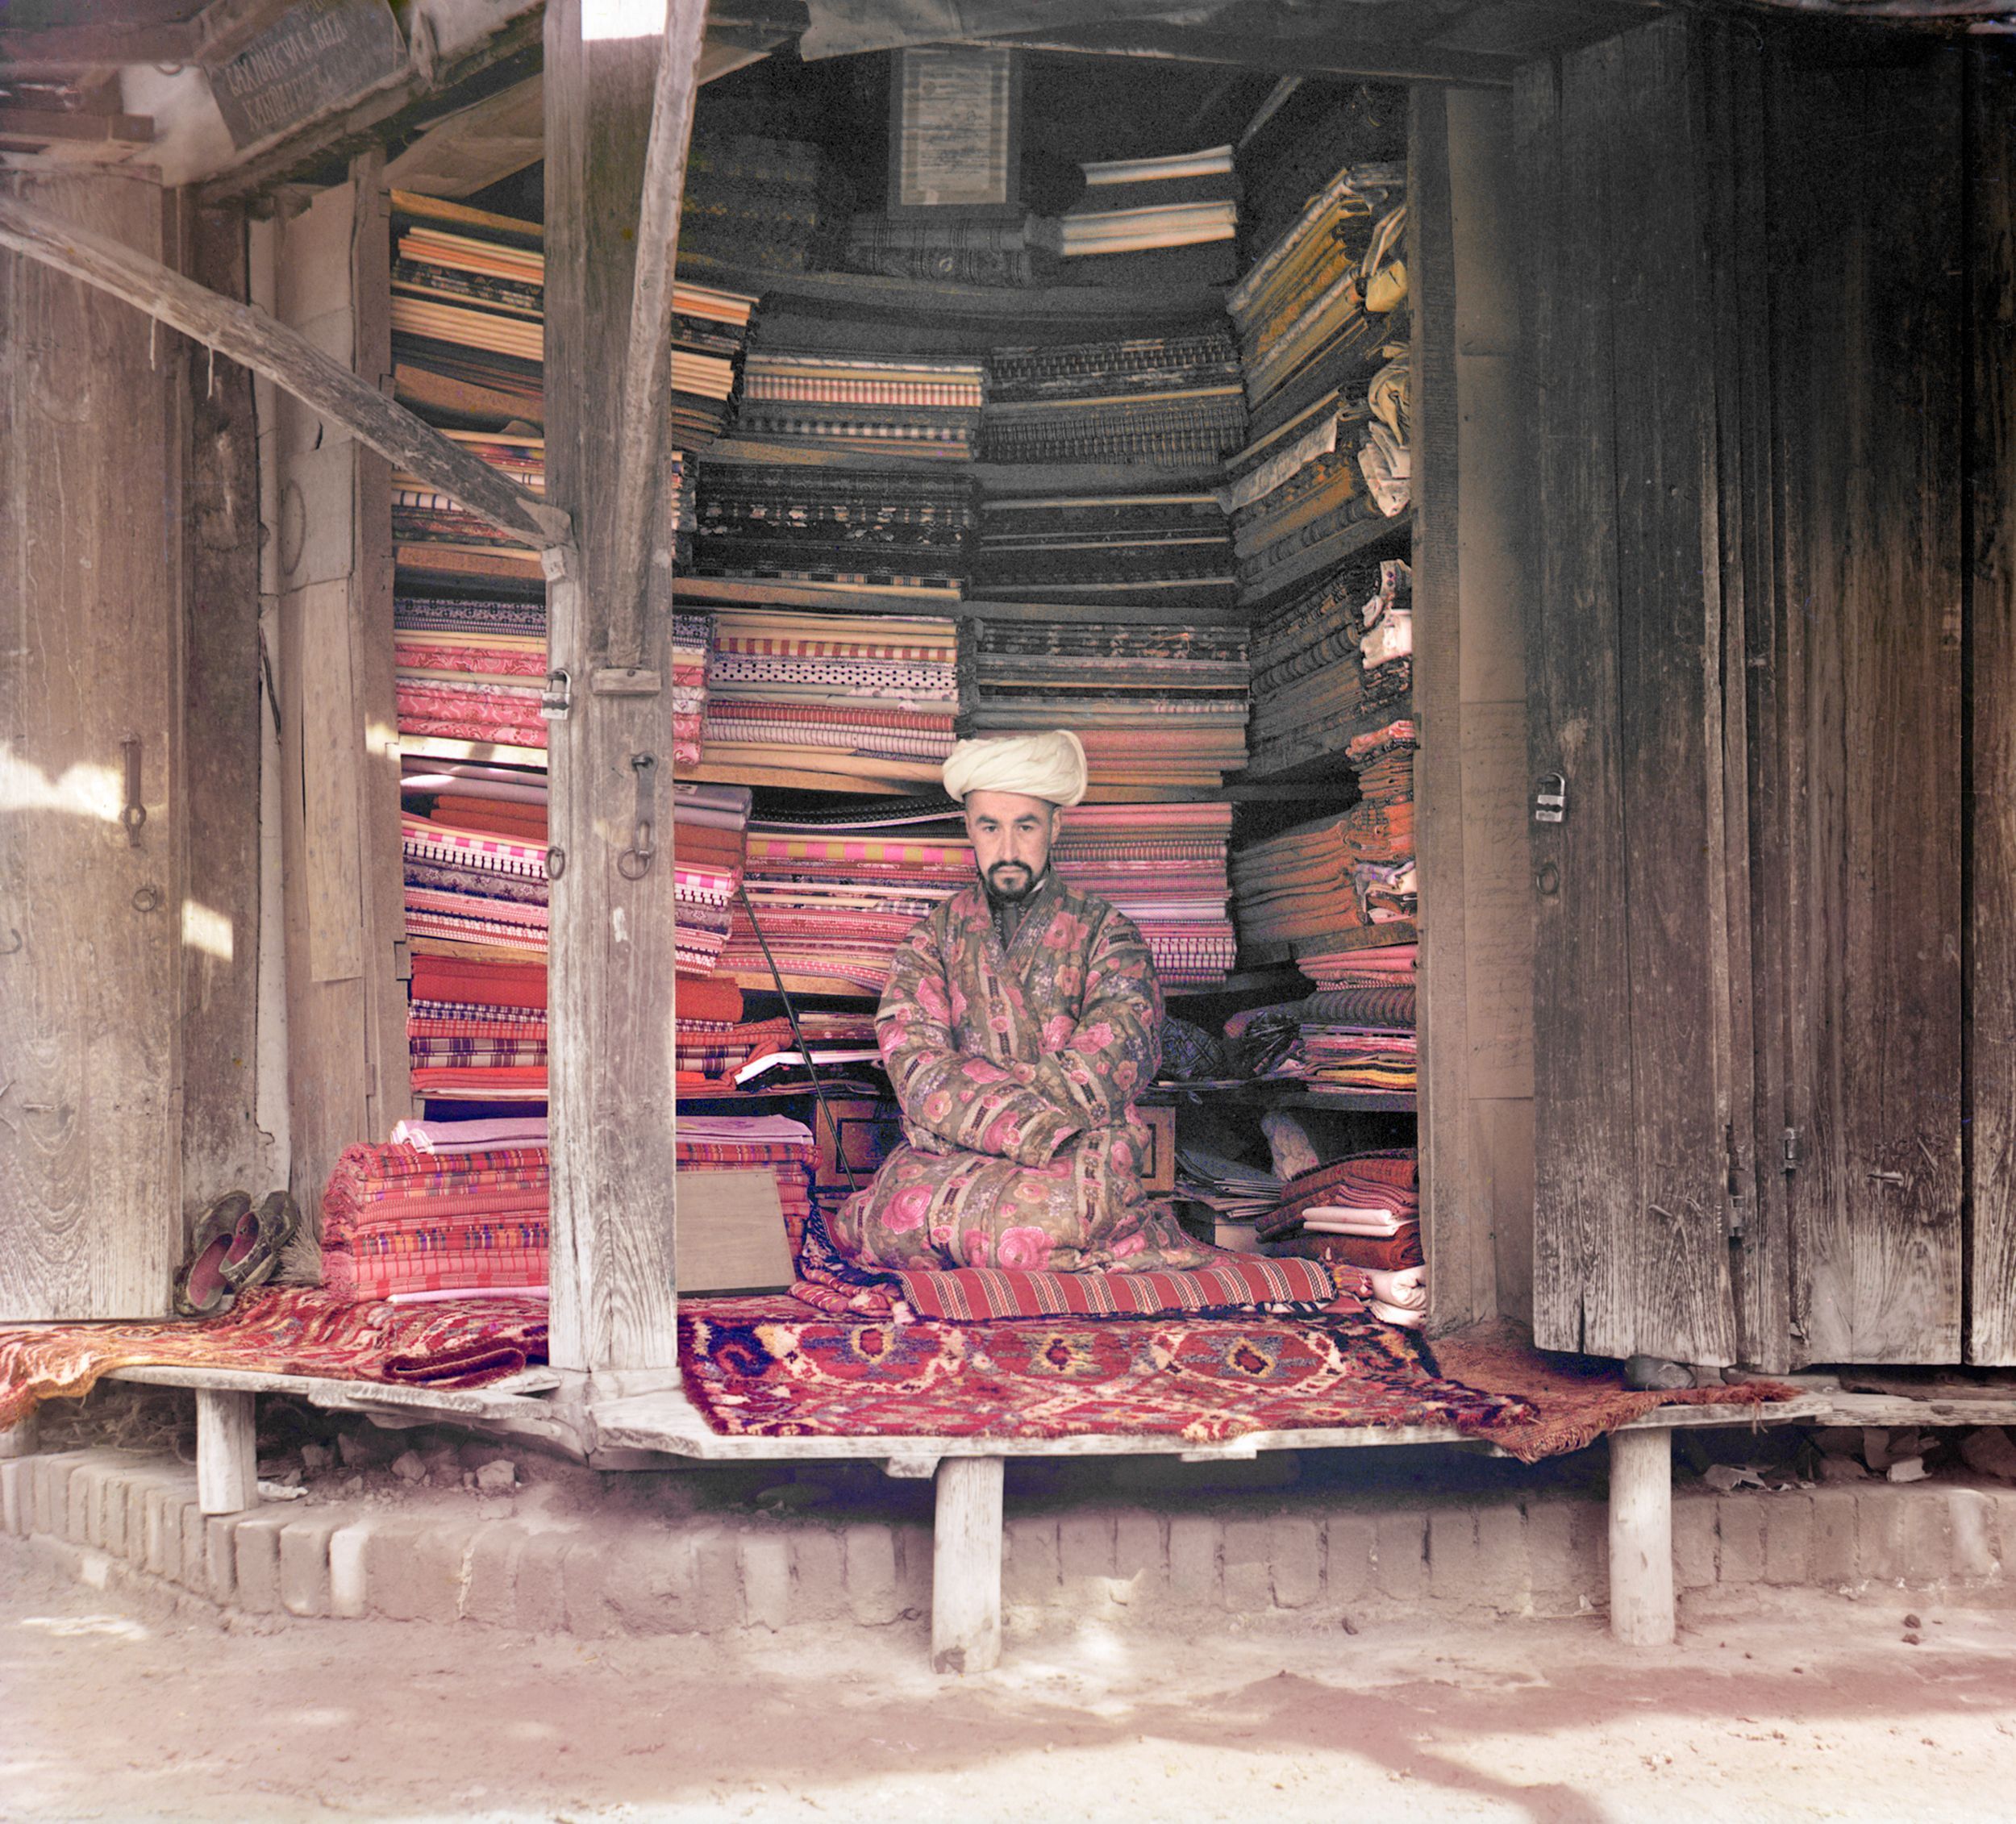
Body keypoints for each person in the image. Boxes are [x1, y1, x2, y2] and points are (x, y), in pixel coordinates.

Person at [827, 729, 1217, 1275]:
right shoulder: (932, 939)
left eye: (1025, 826)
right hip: (952, 1152)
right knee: (886, 1223)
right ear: (968, 826)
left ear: (1056, 825)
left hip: (1073, 1148)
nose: (1007, 849)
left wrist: (1017, 1121)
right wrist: (1003, 1122)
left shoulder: (1109, 934)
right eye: (990, 826)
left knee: (1026, 1233)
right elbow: (913, 1058)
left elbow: (1117, 1051)